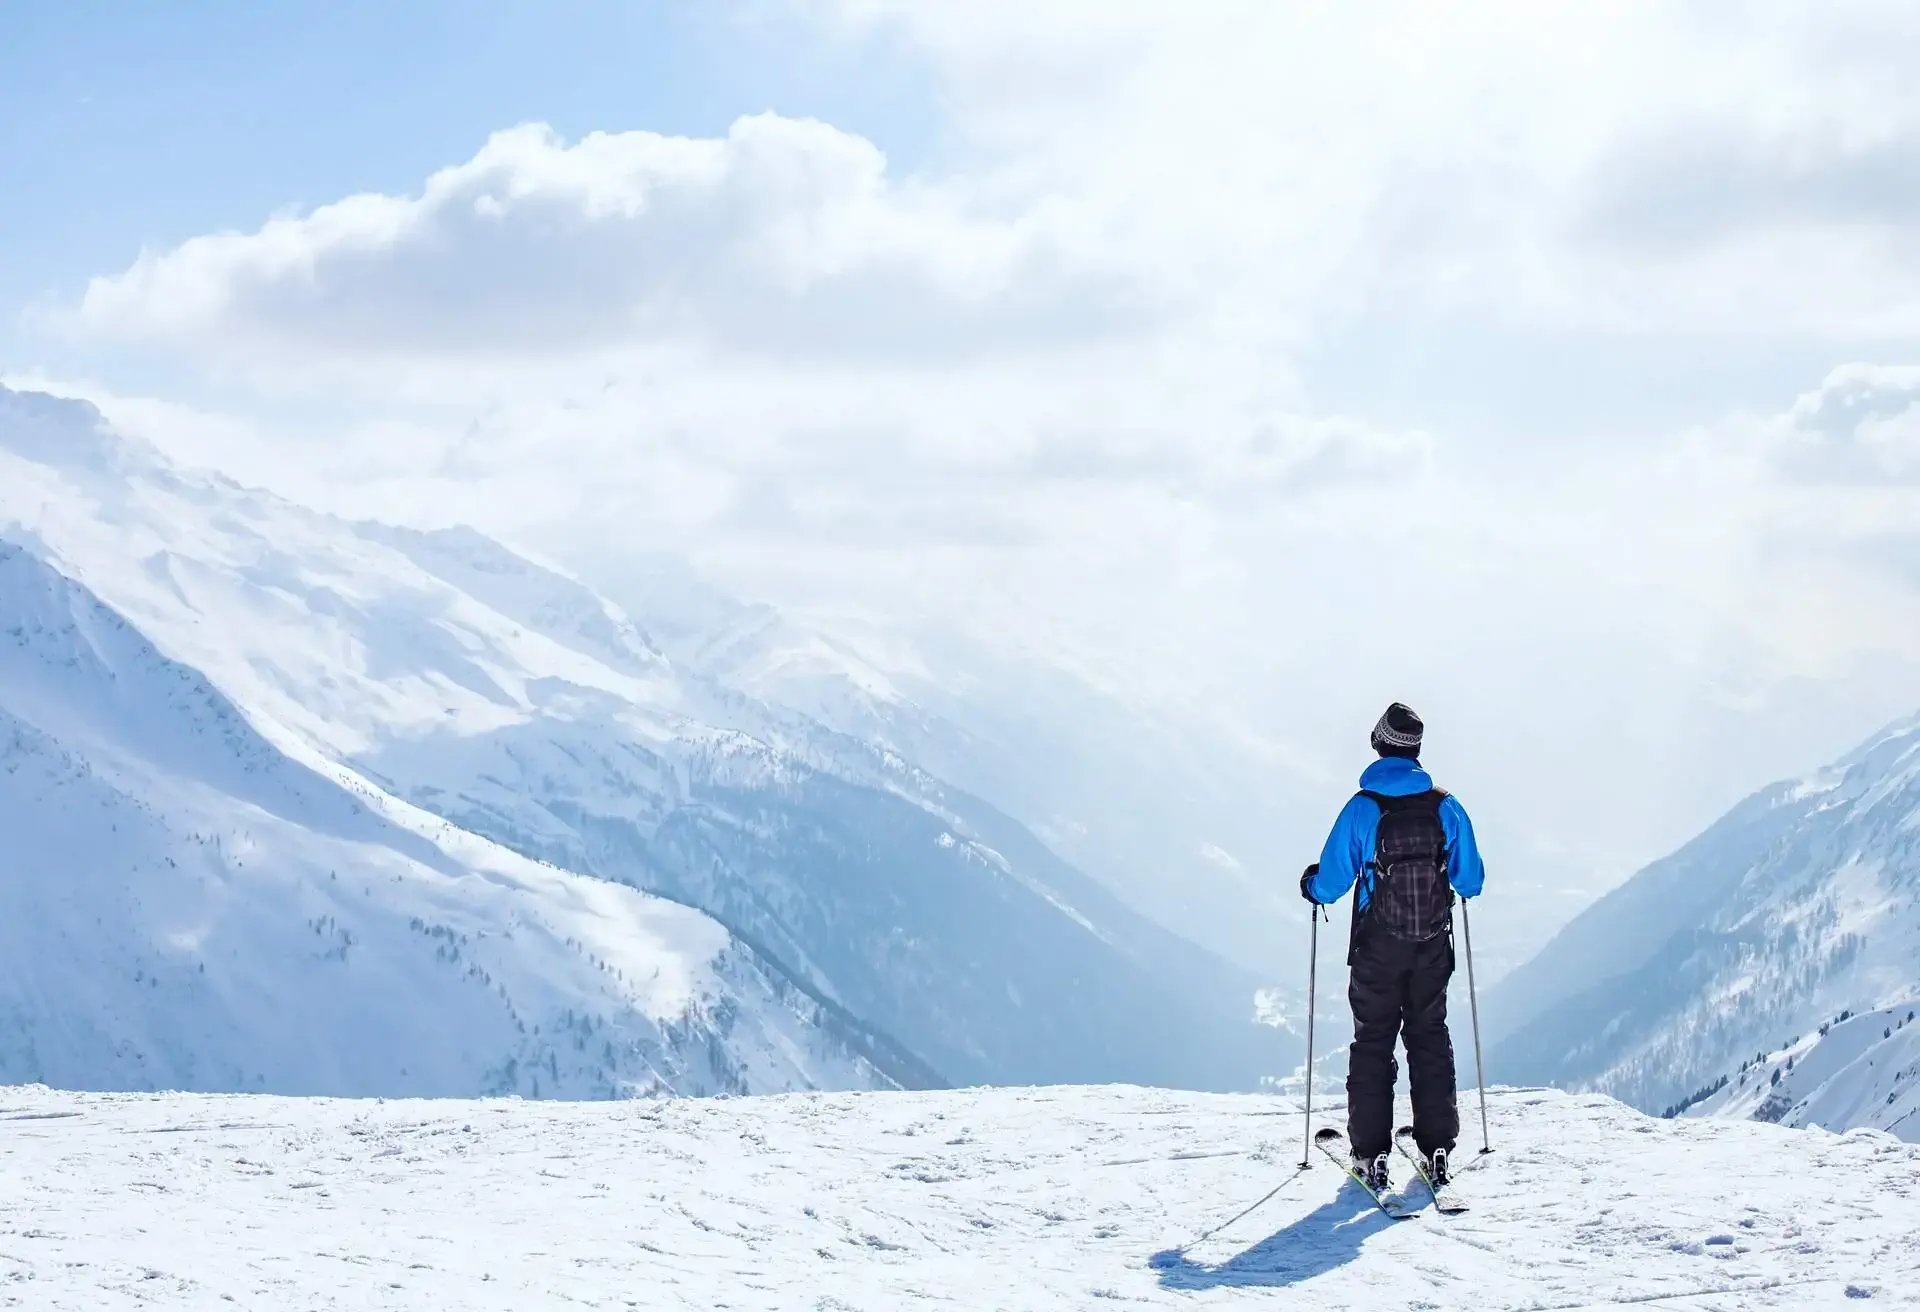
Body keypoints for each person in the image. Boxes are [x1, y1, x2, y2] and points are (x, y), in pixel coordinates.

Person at [1300, 702, 1484, 1196]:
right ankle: (1437, 1144)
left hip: (1376, 948)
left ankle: (1370, 1154)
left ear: (1379, 746)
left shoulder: (1363, 808)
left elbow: (1333, 880)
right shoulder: (1445, 806)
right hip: (1431, 945)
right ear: (1418, 750)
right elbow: (1472, 880)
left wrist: (1311, 886)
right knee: (1429, 1036)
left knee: (1374, 1042)